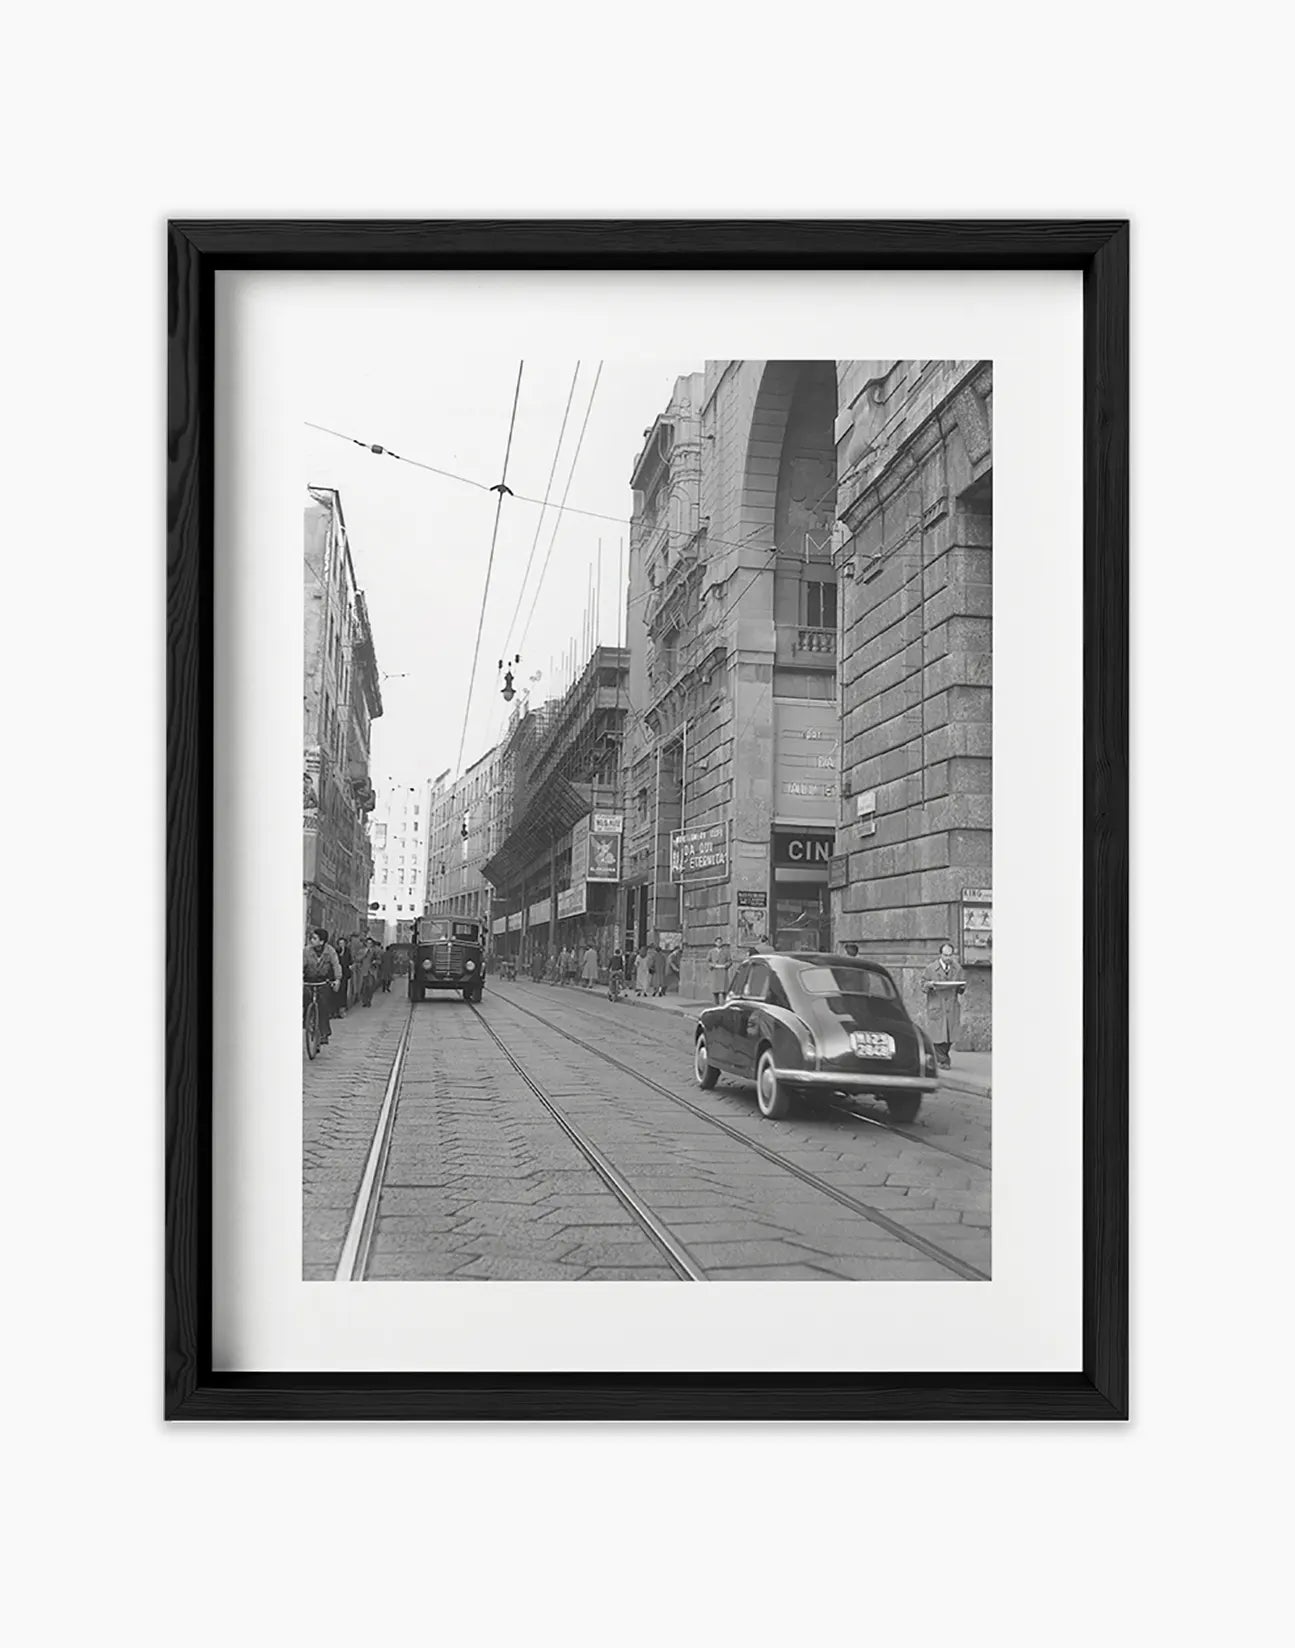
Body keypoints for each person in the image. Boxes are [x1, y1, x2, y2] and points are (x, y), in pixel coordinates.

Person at [921, 941, 966, 1067]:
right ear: (940, 955)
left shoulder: (957, 969)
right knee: (937, 1036)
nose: (948, 958)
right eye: (945, 955)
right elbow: (922, 986)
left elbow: (961, 989)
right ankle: (944, 1060)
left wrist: (962, 987)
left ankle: (941, 1058)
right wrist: (928, 985)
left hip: (951, 1006)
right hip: (937, 1006)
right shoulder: (930, 969)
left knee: (950, 1036)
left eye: (950, 955)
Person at [303, 926, 342, 1046]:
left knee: (324, 1005)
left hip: (323, 981)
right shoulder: (306, 951)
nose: (311, 940)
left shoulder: (330, 951)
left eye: (314, 938)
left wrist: (337, 979)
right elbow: (301, 964)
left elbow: (336, 965)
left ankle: (324, 1033)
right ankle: (307, 1021)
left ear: (322, 941)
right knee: (304, 998)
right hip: (308, 980)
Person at [706, 938, 732, 1005]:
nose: (719, 943)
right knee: (715, 990)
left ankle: (724, 1004)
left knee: (724, 990)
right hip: (715, 972)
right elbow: (708, 961)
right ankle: (716, 1004)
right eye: (717, 942)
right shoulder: (711, 952)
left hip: (723, 972)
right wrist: (713, 965)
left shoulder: (726, 951)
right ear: (715, 943)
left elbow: (730, 961)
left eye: (720, 942)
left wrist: (725, 965)